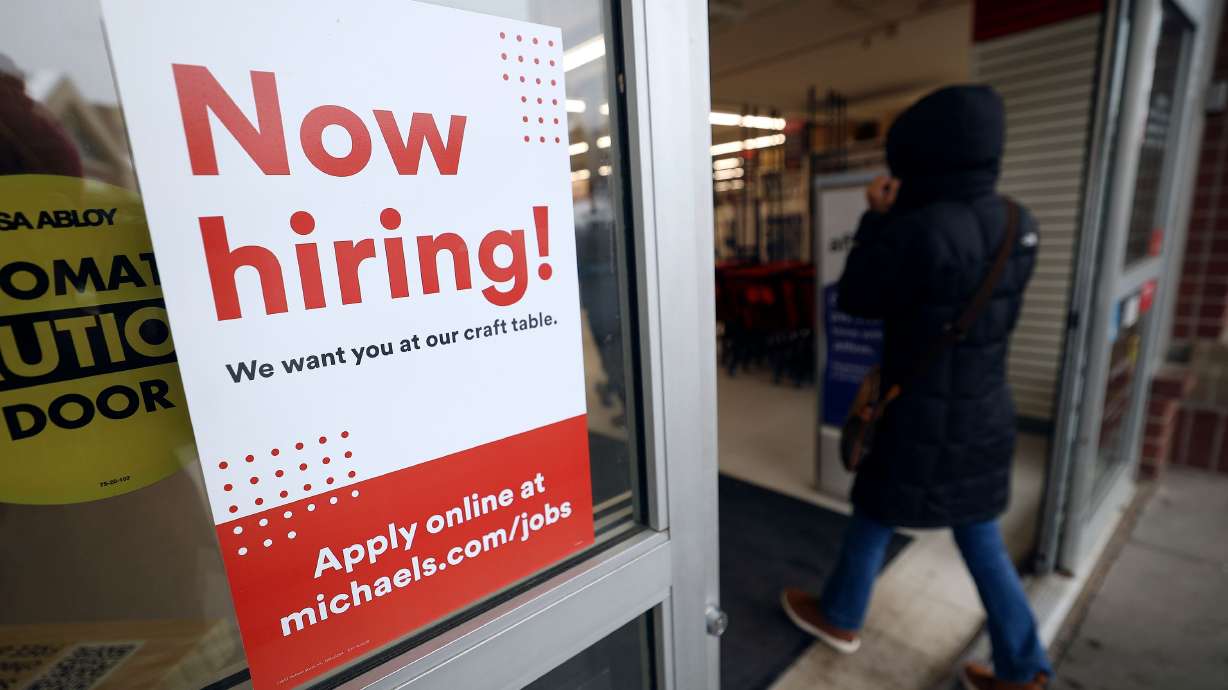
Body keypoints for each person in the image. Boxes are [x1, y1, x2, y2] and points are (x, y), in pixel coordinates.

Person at [781, 85, 1050, 690]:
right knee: (979, 534)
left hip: (916, 412)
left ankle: (841, 615)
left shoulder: (918, 228)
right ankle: (1025, 669)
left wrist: (878, 219)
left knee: (875, 511)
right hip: (986, 409)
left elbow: (858, 298)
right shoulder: (1018, 222)